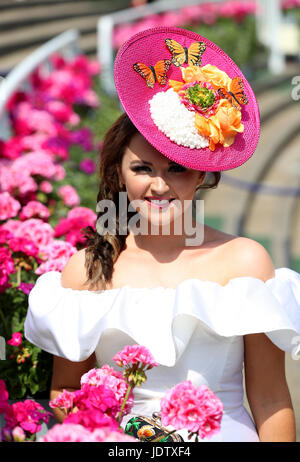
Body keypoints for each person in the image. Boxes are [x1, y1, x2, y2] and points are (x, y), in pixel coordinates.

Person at [24, 26, 300, 442]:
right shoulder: (85, 271)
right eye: (142, 169)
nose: (159, 186)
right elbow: (67, 394)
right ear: (118, 171)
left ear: (202, 174)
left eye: (177, 169)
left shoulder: (245, 261)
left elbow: (269, 400)